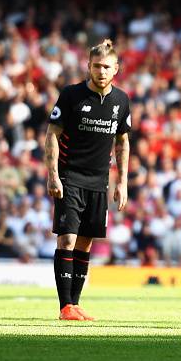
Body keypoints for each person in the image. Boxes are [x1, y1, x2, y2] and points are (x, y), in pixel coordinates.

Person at [45, 39, 131, 321]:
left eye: (106, 66)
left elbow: (122, 143)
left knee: (85, 243)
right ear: (88, 66)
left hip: (99, 182)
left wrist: (122, 182)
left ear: (116, 68)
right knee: (67, 239)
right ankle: (64, 306)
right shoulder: (71, 95)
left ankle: (75, 303)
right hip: (70, 176)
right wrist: (53, 175)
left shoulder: (121, 101)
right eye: (96, 66)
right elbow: (52, 135)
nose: (101, 71)